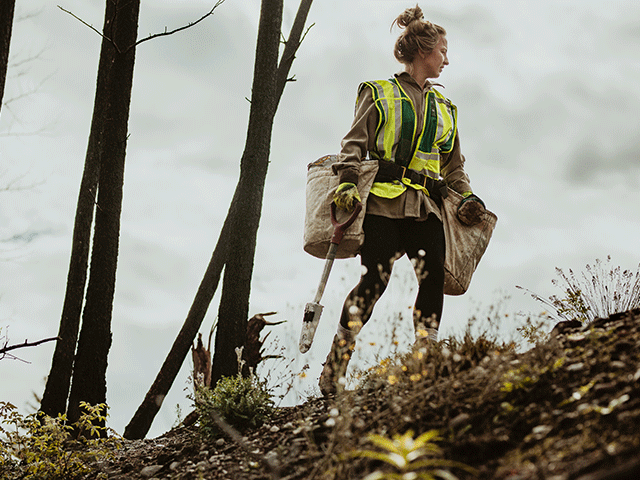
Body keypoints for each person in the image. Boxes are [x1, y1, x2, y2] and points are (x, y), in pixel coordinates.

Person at [318, 5, 486, 396]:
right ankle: (335, 366)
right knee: (374, 281)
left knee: (431, 280)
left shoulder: (447, 108)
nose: (447, 58)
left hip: (427, 208)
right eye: (443, 50)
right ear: (423, 51)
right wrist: (345, 182)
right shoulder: (377, 92)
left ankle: (423, 359)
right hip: (382, 204)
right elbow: (353, 145)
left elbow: (454, 167)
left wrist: (468, 196)